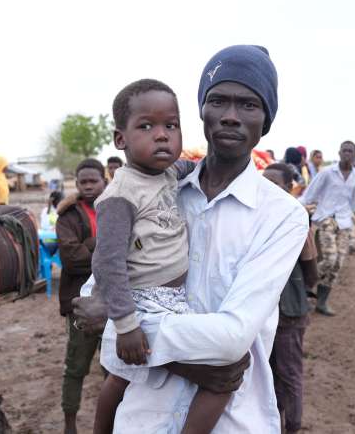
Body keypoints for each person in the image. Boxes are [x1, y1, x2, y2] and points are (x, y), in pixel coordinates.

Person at [72, 44, 308, 433]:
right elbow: (93, 295)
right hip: (143, 415)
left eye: (248, 105)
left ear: (266, 120)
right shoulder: (159, 190)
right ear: (201, 111)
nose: (230, 116)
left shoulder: (283, 216)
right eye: (218, 101)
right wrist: (122, 326)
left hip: (232, 419)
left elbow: (233, 337)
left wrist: (119, 325)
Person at [92, 78, 226, 434]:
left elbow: (195, 166)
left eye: (171, 125)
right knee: (222, 374)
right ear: (120, 139)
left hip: (171, 298)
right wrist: (127, 326)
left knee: (127, 378)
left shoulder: (168, 173)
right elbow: (108, 265)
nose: (163, 135)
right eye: (146, 126)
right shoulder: (120, 195)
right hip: (144, 303)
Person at [263, 163, 318, 434]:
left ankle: (292, 428)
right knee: (270, 375)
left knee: (290, 376)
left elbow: (311, 274)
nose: (266, 188)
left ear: (288, 188)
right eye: (264, 182)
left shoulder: (297, 220)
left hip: (288, 313)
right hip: (264, 313)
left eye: (274, 183)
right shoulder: (256, 218)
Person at [55, 158, 107, 434]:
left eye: (93, 181)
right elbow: (71, 260)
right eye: (82, 182)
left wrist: (88, 247)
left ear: (104, 180)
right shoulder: (68, 216)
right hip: (80, 304)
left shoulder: (118, 207)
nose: (88, 186)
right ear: (76, 184)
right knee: (76, 366)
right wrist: (104, 246)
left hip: (115, 301)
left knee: (115, 368)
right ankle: (70, 424)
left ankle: (118, 422)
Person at [299, 141, 355, 316]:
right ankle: (303, 287)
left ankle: (322, 302)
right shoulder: (327, 173)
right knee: (330, 258)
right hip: (326, 219)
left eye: (351, 151)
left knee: (338, 264)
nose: (347, 153)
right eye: (344, 150)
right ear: (339, 153)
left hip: (345, 223)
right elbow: (308, 195)